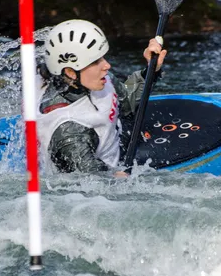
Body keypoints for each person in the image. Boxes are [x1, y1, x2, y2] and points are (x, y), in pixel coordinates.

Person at [36, 19, 167, 174]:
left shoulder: (93, 80)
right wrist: (116, 178)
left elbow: (127, 103)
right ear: (70, 72)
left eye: (103, 57)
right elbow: (95, 182)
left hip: (114, 147)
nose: (106, 66)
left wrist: (151, 68)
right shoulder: (68, 132)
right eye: (95, 61)